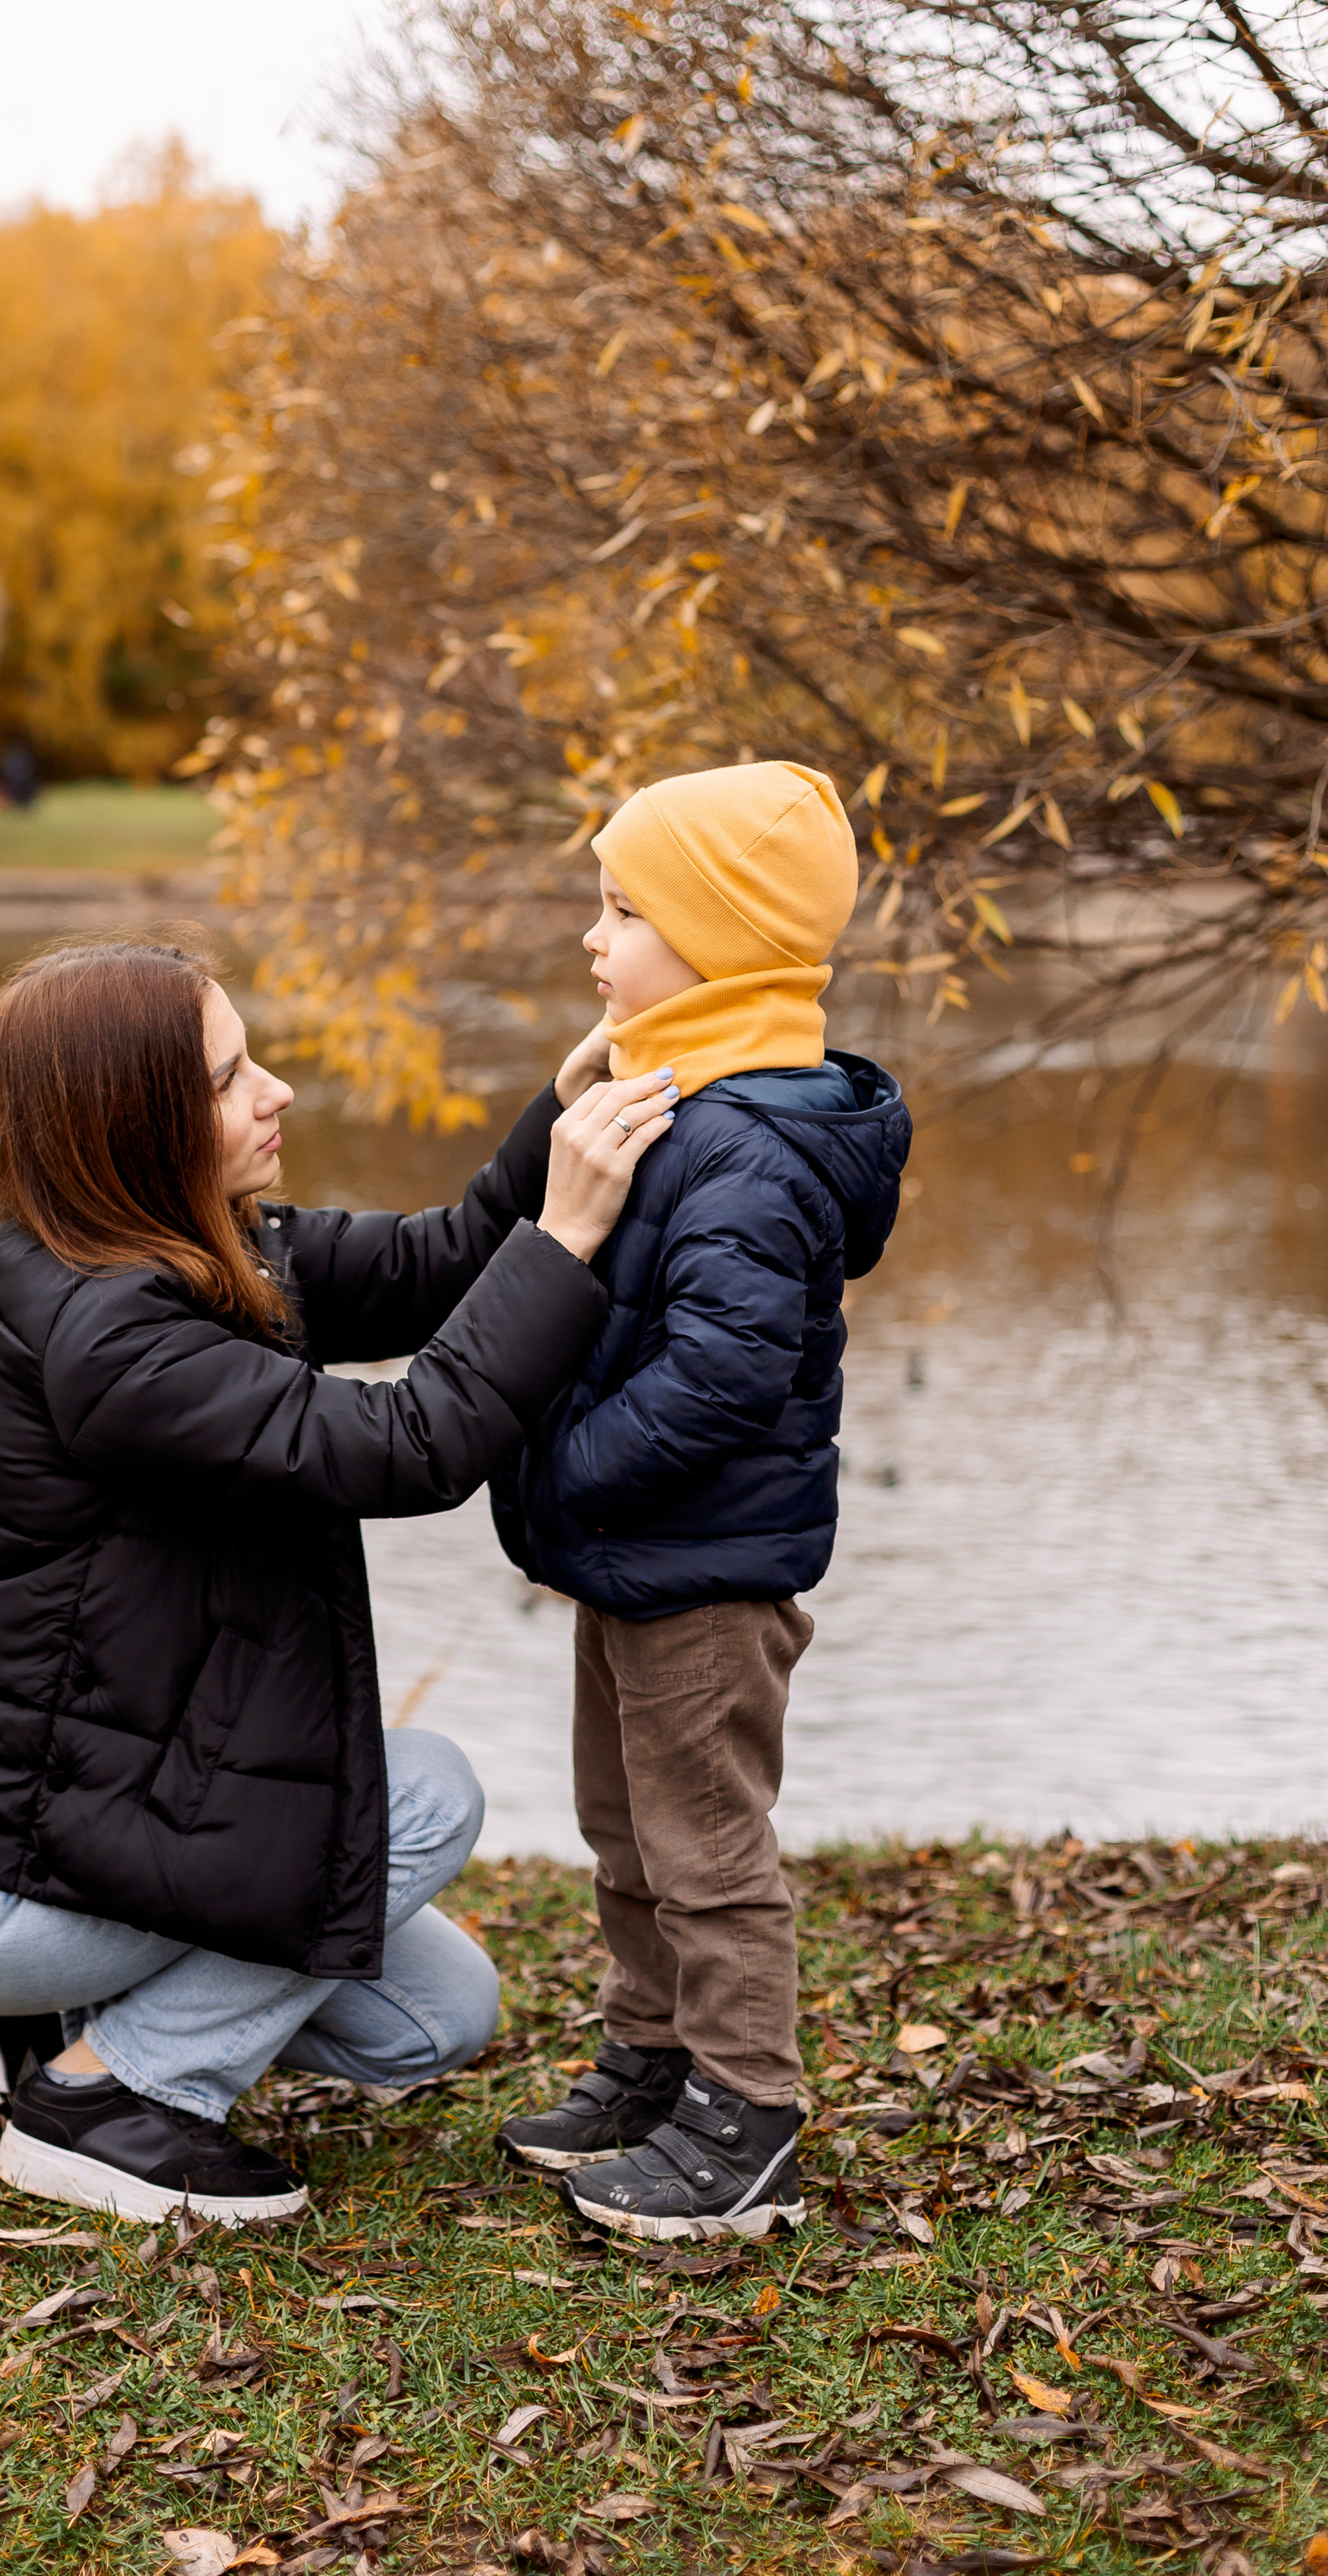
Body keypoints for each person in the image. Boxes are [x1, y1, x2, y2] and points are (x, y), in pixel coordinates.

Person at [0, 938, 673, 2224]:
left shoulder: (193, 1254)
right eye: (231, 1077)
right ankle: (108, 2099)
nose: (277, 1091)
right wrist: (569, 1236)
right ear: (133, 1129)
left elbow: (433, 1264)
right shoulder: (117, 1341)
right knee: (425, 1799)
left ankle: (47, 2031)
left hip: (81, 1824)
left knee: (434, 2015)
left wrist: (563, 1119)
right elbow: (413, 1444)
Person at [492, 762, 910, 2242]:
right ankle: (648, 2055)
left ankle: (745, 2122)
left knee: (704, 1846)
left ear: (718, 944)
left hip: (701, 1569)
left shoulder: (743, 1149)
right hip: (630, 1558)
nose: (592, 944)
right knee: (624, 1828)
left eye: (620, 912)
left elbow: (723, 1379)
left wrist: (561, 1474)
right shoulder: (667, 1107)